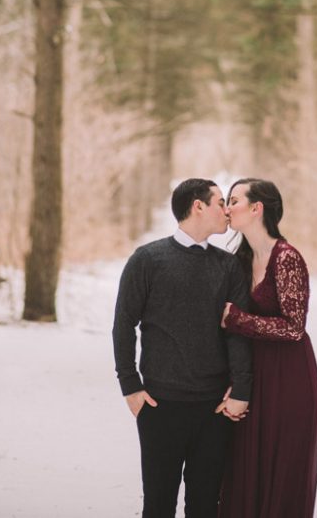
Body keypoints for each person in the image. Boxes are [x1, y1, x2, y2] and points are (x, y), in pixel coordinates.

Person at [113, 177, 253, 518]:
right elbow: (123, 324)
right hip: (160, 405)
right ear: (198, 206)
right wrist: (130, 386)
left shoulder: (229, 265)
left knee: (205, 505)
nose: (227, 210)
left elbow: (237, 332)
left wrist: (241, 389)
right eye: (221, 202)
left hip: (214, 408)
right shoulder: (147, 259)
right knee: (158, 504)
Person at [218, 178, 317, 518]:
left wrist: (237, 319)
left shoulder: (287, 258)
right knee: (246, 463)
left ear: (256, 208)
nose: (227, 207)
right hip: (253, 373)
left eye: (233, 200)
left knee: (281, 465)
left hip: (289, 377)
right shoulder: (240, 259)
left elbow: (294, 328)